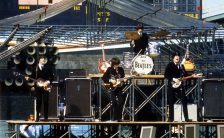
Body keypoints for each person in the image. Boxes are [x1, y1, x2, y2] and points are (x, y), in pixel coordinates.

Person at [164, 52, 194, 122]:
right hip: (172, 85)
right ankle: (171, 118)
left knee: (184, 100)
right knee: (171, 101)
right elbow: (166, 75)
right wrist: (173, 79)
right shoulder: (169, 65)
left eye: (178, 57)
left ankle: (186, 118)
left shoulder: (181, 66)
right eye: (176, 57)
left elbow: (185, 75)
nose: (177, 58)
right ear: (173, 58)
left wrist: (192, 75)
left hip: (180, 85)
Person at [26, 56, 54, 122]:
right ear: (39, 60)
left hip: (46, 87)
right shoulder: (35, 68)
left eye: (44, 59)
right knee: (38, 102)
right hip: (38, 88)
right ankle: (37, 117)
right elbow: (32, 78)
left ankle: (46, 118)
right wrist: (28, 79)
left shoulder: (48, 67)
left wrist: (48, 82)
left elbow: (52, 77)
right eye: (42, 59)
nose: (44, 60)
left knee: (46, 101)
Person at [102, 57, 126, 121]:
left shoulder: (121, 69)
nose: (117, 65)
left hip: (119, 88)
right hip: (112, 88)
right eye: (115, 64)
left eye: (118, 64)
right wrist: (110, 80)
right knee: (113, 102)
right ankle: (113, 118)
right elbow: (104, 78)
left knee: (121, 102)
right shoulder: (109, 69)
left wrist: (123, 80)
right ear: (113, 64)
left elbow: (123, 77)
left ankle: (119, 118)